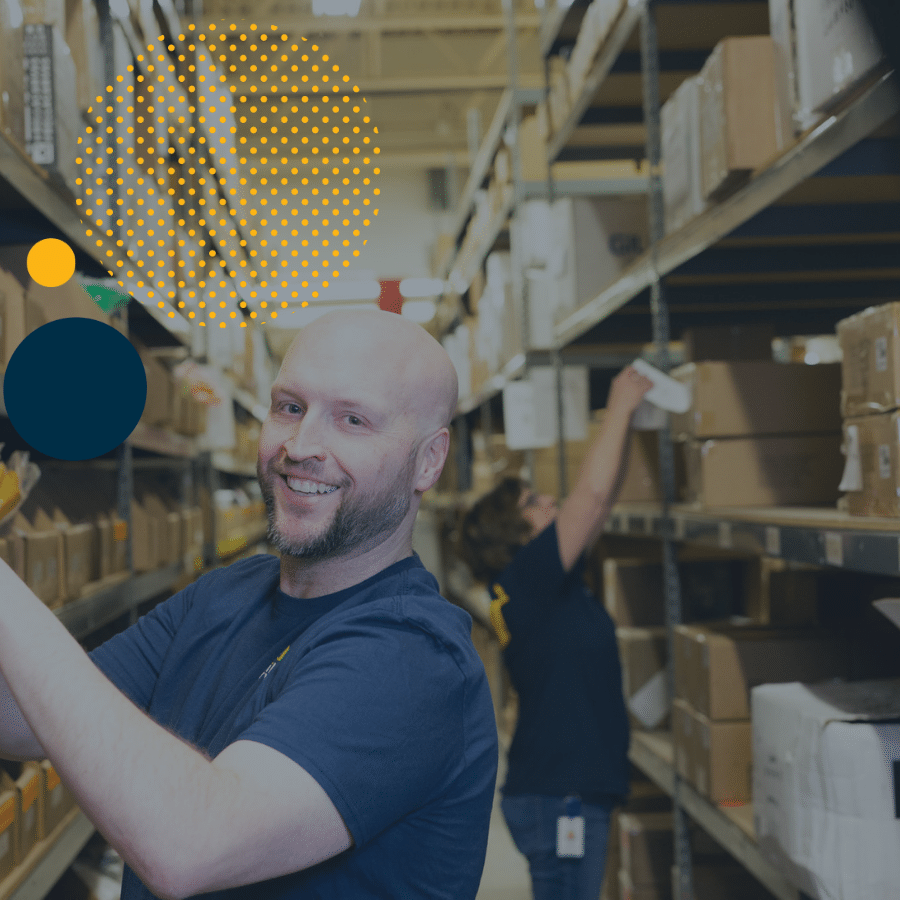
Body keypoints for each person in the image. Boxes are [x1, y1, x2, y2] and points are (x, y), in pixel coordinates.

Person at [0, 309, 498, 899]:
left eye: (354, 420)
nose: (301, 445)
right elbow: (24, 718)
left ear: (429, 460)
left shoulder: (413, 656)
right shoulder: (225, 595)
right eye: (290, 407)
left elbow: (187, 846)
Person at [457, 365, 653, 900]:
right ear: (512, 533)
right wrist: (618, 402)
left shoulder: (541, 586)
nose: (551, 503)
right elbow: (587, 500)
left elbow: (599, 502)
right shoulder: (528, 580)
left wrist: (631, 420)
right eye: (533, 503)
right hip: (560, 797)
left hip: (560, 790)